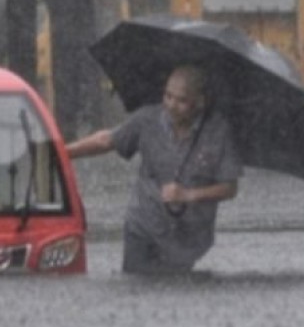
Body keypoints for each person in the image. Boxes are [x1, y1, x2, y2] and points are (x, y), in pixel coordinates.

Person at [65, 65, 242, 274]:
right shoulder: (147, 120)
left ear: (200, 102)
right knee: (138, 287)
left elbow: (230, 188)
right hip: (144, 226)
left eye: (181, 100)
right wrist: (61, 152)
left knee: (177, 294)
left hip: (187, 238)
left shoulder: (218, 132)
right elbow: (106, 140)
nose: (172, 105)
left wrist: (188, 195)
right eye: (168, 96)